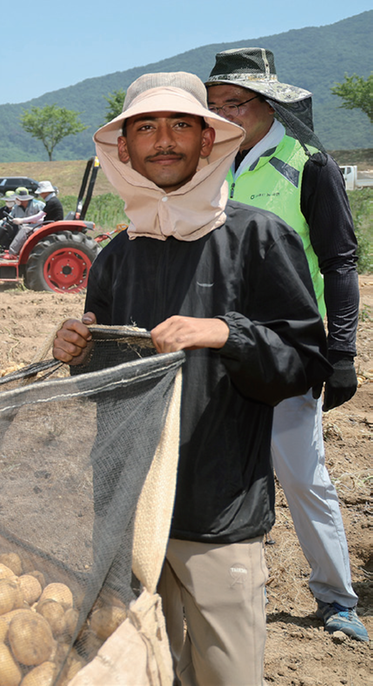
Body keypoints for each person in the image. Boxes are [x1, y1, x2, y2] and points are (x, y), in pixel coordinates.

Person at [53, 72, 331, 686]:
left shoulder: (256, 236)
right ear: (123, 149)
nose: (164, 141)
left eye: (182, 125)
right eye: (145, 128)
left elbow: (305, 361)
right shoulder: (118, 254)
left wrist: (225, 333)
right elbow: (108, 388)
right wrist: (78, 351)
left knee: (226, 675)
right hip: (131, 513)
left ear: (209, 141)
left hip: (218, 513)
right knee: (147, 670)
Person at [205, 47, 366, 642]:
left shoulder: (309, 163)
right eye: (214, 104)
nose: (223, 114)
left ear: (267, 103)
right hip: (215, 341)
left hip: (287, 346)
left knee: (300, 474)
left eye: (235, 103)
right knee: (218, 469)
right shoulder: (209, 159)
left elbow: (341, 262)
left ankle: (336, 597)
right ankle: (225, 582)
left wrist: (342, 353)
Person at [2, 186, 45, 259]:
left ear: (22, 199)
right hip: (22, 230)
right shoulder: (16, 207)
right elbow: (10, 218)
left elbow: (45, 218)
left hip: (38, 228)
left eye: (17, 198)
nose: (15, 200)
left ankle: (12, 253)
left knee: (24, 228)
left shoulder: (39, 205)